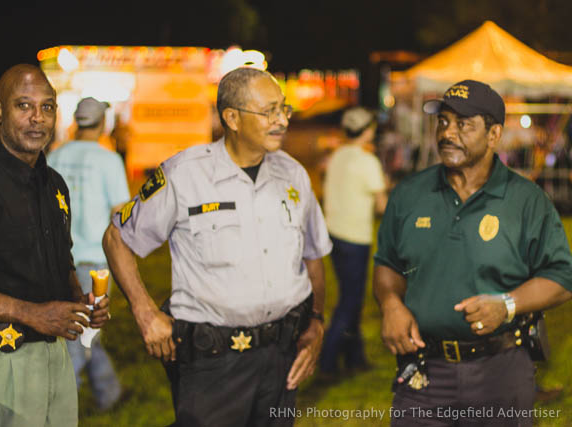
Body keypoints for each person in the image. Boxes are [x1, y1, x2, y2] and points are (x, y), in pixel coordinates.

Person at [102, 67, 332, 426]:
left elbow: (314, 255)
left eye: (283, 109)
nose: (281, 120)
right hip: (213, 364)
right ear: (232, 118)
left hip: (282, 358)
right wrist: (146, 314)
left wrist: (316, 322)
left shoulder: (294, 175)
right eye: (269, 111)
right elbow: (118, 238)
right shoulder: (185, 175)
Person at [373, 79, 572, 426]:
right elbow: (387, 265)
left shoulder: (526, 201)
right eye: (443, 121)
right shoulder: (409, 195)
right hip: (424, 372)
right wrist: (391, 304)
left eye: (463, 124)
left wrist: (507, 304)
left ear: (494, 135)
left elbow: (562, 277)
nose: (448, 133)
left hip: (500, 371)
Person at [0, 64, 110, 427]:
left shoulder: (54, 184)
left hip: (56, 360)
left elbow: (61, 262)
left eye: (47, 107)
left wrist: (80, 302)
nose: (37, 118)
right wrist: (30, 313)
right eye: (24, 106)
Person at [47, 96, 129, 412]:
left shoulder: (55, 155)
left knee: (86, 332)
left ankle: (110, 392)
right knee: (82, 337)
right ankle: (59, 404)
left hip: (60, 259)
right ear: (102, 123)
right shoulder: (108, 160)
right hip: (95, 261)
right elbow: (120, 214)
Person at [319, 107, 388, 377]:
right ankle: (327, 359)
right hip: (356, 236)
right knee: (350, 300)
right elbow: (382, 205)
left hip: (334, 233)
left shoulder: (337, 156)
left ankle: (354, 356)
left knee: (352, 297)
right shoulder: (366, 161)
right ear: (368, 130)